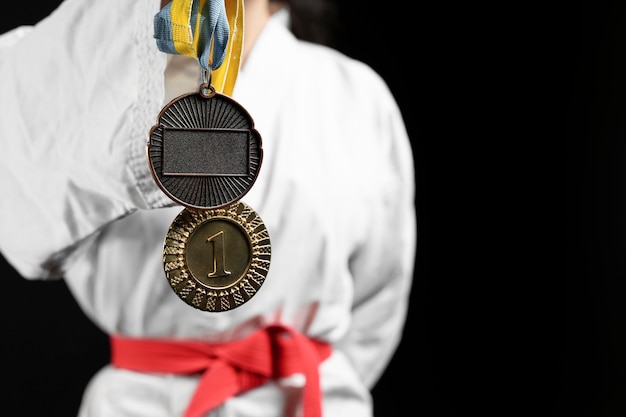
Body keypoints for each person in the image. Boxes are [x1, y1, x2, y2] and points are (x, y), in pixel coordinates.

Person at [0, 0, 416, 416]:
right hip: (142, 403)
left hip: (308, 400)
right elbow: (19, 206)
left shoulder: (355, 95)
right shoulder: (97, 57)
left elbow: (377, 306)